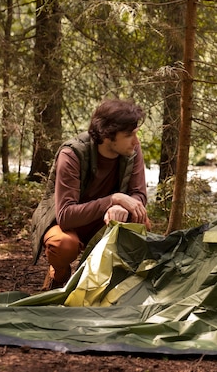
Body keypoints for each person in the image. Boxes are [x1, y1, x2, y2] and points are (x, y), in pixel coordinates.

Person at [30, 98, 151, 290]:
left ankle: (109, 280)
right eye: (129, 135)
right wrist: (114, 199)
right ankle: (59, 274)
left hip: (103, 220)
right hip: (69, 224)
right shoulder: (72, 154)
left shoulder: (132, 150)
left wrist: (120, 206)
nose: (136, 141)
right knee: (63, 245)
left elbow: (139, 196)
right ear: (108, 135)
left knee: (140, 221)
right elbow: (66, 216)